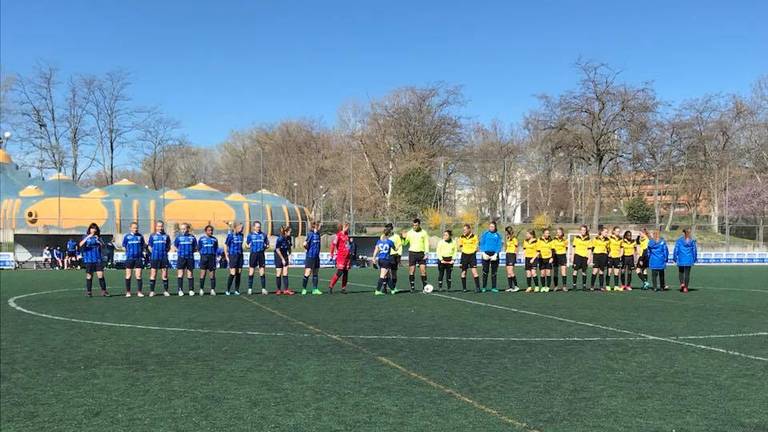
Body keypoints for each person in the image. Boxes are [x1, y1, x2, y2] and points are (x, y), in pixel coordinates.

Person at [79, 223, 108, 297]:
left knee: (100, 275)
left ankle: (104, 291)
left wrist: (99, 241)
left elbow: (104, 246)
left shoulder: (98, 237)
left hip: (97, 259)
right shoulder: (85, 236)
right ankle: (89, 292)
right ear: (89, 229)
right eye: (92, 228)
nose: (93, 230)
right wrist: (88, 236)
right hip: (89, 259)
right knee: (89, 276)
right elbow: (80, 244)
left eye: (95, 228)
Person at [403, 218, 430, 293]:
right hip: (412, 253)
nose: (414, 227)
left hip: (421, 254)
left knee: (423, 271)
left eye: (416, 225)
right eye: (413, 225)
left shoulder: (424, 232)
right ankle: (412, 287)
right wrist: (403, 237)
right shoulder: (409, 233)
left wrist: (427, 253)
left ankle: (425, 288)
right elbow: (404, 243)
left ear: (419, 225)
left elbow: (426, 243)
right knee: (412, 271)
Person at [147, 221, 172, 297]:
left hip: (163, 258)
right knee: (153, 274)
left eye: (161, 226)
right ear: (156, 227)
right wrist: (154, 253)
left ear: (163, 227)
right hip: (154, 258)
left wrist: (164, 252)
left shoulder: (166, 236)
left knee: (164, 275)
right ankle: (152, 291)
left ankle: (166, 291)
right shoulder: (152, 236)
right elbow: (150, 247)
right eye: (158, 226)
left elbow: (168, 247)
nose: (160, 228)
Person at [122, 222, 146, 297]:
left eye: (136, 228)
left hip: (138, 258)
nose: (135, 229)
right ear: (130, 228)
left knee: (138, 276)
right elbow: (123, 246)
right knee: (128, 276)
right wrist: (127, 252)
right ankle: (128, 292)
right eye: (134, 228)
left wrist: (143, 253)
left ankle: (139, 292)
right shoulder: (127, 236)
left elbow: (143, 245)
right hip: (130, 258)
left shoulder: (140, 236)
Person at [479, 221, 503, 293]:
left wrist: (496, 254)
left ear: (495, 227)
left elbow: (499, 245)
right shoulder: (485, 234)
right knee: (485, 271)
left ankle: (494, 287)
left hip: (494, 255)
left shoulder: (498, 235)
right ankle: (484, 287)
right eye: (490, 226)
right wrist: (483, 252)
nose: (491, 228)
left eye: (492, 227)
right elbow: (481, 243)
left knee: (494, 272)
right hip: (486, 254)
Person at [174, 223, 197, 296]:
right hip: (181, 257)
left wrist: (189, 252)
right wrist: (180, 252)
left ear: (187, 229)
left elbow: (195, 247)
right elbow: (176, 246)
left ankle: (191, 290)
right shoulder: (178, 237)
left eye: (184, 229)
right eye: (182, 229)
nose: (183, 230)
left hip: (190, 257)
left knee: (190, 274)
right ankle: (180, 290)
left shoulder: (192, 237)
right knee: (180, 274)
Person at [246, 221, 269, 295]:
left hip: (261, 254)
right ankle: (250, 289)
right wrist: (247, 246)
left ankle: (263, 289)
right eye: (257, 227)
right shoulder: (250, 235)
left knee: (262, 271)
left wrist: (266, 246)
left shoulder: (264, 235)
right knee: (251, 271)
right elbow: (246, 244)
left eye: (259, 227)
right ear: (253, 227)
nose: (258, 228)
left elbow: (267, 244)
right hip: (253, 254)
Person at [328, 223, 351, 294]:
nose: (348, 228)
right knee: (339, 272)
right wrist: (331, 254)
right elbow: (333, 244)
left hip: (347, 257)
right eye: (347, 227)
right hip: (341, 257)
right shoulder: (338, 235)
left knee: (346, 273)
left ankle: (343, 288)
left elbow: (347, 245)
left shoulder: (347, 235)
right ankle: (331, 286)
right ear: (343, 227)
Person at [673, 228, 698, 293]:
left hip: (681, 258)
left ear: (683, 233)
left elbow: (676, 249)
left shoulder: (679, 240)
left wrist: (675, 257)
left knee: (681, 272)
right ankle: (686, 288)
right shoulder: (692, 241)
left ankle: (682, 283)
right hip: (689, 259)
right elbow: (694, 250)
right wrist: (695, 258)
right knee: (687, 274)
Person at [458, 224, 481, 293]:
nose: (464, 231)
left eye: (465, 229)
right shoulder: (461, 237)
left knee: (474, 272)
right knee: (463, 272)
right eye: (463, 230)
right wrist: (465, 250)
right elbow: (460, 246)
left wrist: (473, 250)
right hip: (464, 256)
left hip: (472, 256)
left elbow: (477, 246)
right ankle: (464, 288)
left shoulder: (474, 237)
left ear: (469, 229)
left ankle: (478, 288)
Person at [372, 229, 396, 296]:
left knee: (387, 275)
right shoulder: (390, 242)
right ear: (388, 235)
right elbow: (395, 248)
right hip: (386, 260)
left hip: (380, 260)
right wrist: (398, 246)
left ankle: (392, 290)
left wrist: (373, 258)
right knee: (383, 275)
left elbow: (376, 249)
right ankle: (377, 290)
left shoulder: (379, 241)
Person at [302, 221, 323, 295]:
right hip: (310, 256)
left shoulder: (318, 234)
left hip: (316, 257)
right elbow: (304, 244)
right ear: (316, 226)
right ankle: (304, 289)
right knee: (307, 273)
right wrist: (308, 249)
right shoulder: (310, 234)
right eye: (319, 226)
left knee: (316, 273)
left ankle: (315, 289)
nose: (320, 227)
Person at [224, 222, 245, 295]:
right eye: (240, 227)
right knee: (232, 273)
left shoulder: (241, 235)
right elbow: (226, 245)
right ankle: (228, 290)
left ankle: (236, 290)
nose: (242, 229)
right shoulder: (230, 236)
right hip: (233, 255)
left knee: (238, 273)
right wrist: (226, 256)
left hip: (240, 255)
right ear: (236, 227)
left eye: (242, 228)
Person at [198, 225, 219, 295]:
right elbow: (199, 248)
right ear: (206, 231)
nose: (211, 232)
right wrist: (202, 254)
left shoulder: (214, 239)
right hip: (204, 257)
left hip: (212, 258)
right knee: (202, 274)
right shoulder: (201, 239)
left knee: (212, 274)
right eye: (209, 230)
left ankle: (212, 290)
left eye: (211, 230)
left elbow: (216, 248)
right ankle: (201, 289)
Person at [570, 225, 592, 291]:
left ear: (586, 231)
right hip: (577, 256)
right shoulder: (576, 238)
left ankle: (584, 286)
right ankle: (574, 286)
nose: (583, 231)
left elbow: (589, 249)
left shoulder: (589, 239)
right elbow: (573, 248)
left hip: (585, 256)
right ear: (580, 231)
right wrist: (572, 257)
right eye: (582, 230)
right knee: (575, 271)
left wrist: (589, 258)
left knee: (584, 272)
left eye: (584, 230)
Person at [274, 225, 294, 295]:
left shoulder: (289, 238)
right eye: (289, 232)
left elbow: (289, 248)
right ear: (285, 232)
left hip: (285, 255)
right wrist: (282, 259)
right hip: (278, 256)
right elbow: (277, 250)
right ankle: (278, 290)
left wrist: (290, 255)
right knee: (278, 273)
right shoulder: (280, 239)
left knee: (285, 272)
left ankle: (286, 290)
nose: (290, 233)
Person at [385, 223, 403, 294]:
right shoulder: (384, 237)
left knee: (394, 273)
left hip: (394, 256)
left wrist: (399, 256)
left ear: (392, 229)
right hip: (386, 256)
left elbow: (400, 246)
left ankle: (394, 288)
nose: (388, 230)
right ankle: (385, 288)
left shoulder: (397, 236)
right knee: (385, 273)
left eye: (389, 228)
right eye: (387, 228)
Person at [590, 227, 610, 291]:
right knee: (595, 271)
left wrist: (607, 255)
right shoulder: (595, 239)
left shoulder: (607, 240)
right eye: (605, 232)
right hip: (596, 255)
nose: (606, 233)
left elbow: (608, 249)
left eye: (607, 232)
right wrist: (591, 256)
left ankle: (601, 286)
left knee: (602, 271)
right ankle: (592, 286)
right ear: (601, 232)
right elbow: (592, 248)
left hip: (604, 256)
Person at [607, 226, 623, 291]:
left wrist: (620, 254)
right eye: (617, 231)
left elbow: (622, 248)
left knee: (616, 272)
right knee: (609, 272)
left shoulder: (620, 239)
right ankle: (607, 285)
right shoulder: (609, 238)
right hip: (610, 257)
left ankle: (616, 286)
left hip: (617, 257)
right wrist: (609, 252)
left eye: (619, 231)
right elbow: (606, 245)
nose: (618, 232)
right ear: (613, 231)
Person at [504, 226, 520, 292]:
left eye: (506, 231)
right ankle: (510, 287)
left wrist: (516, 255)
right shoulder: (508, 238)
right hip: (508, 254)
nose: (505, 233)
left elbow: (516, 247)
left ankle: (516, 286)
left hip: (512, 255)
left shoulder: (514, 239)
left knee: (511, 271)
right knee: (508, 272)